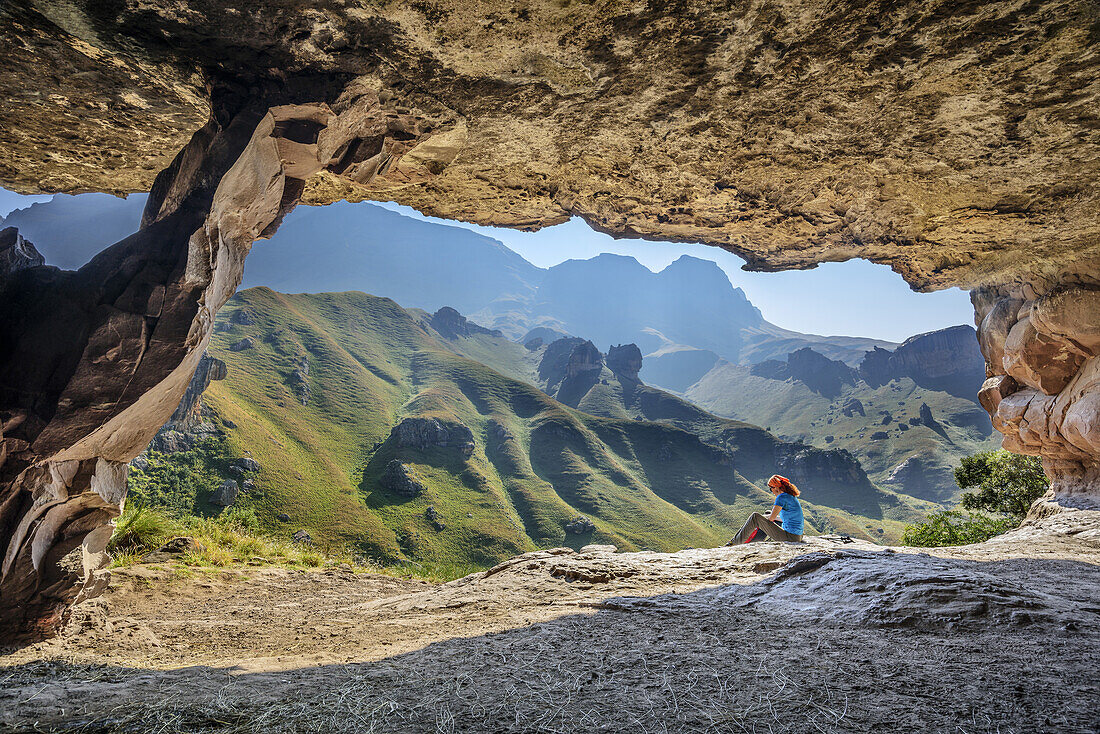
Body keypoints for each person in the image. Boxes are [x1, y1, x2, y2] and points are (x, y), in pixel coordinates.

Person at [727, 474, 805, 544]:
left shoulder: (781, 497)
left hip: (790, 538)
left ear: (776, 487)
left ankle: (734, 543)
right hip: (797, 536)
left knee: (755, 517)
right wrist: (766, 516)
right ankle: (753, 540)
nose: (772, 492)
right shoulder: (790, 496)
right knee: (768, 513)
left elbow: (771, 519)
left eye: (771, 489)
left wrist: (764, 517)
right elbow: (786, 518)